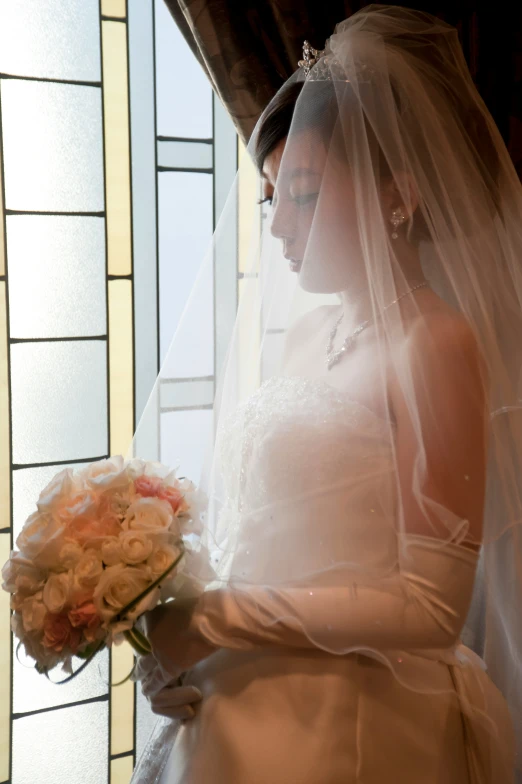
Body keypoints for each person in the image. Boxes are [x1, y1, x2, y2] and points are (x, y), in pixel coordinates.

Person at [130, 5, 522, 782]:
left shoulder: (436, 343)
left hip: (356, 720)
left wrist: (212, 621)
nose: (278, 228)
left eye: (302, 194)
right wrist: (168, 641)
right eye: (272, 197)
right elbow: (263, 531)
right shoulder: (308, 335)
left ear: (398, 196)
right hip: (237, 701)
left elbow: (434, 607)